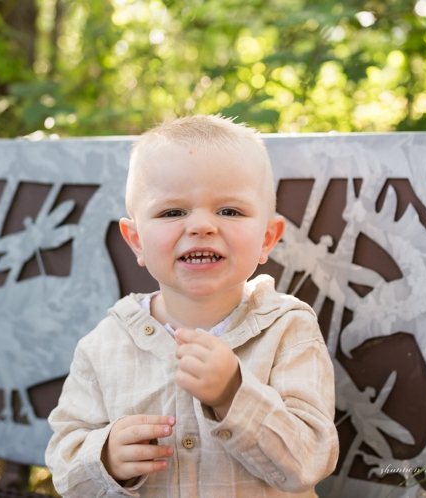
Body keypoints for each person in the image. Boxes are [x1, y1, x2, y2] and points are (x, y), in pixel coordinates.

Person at [44, 115, 338, 496]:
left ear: (267, 238)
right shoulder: (106, 344)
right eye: (173, 212)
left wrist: (234, 395)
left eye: (229, 211)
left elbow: (311, 461)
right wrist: (105, 458)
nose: (201, 226)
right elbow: (65, 462)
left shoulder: (288, 330)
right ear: (136, 241)